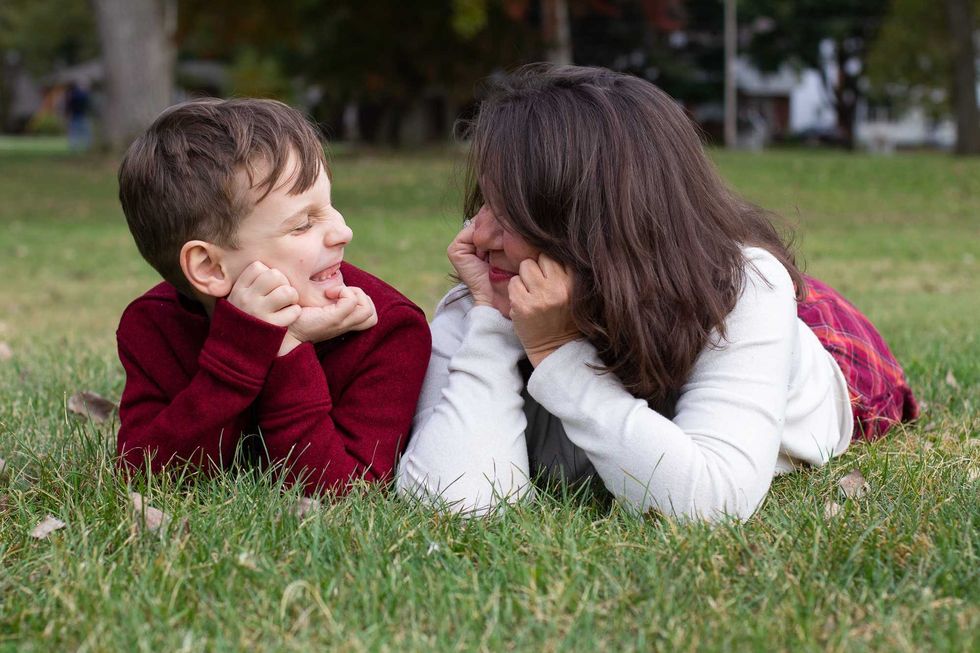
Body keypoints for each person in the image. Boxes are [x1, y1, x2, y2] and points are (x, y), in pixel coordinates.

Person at [396, 65, 918, 521]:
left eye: (510, 212)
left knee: (791, 297)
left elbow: (709, 506)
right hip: (646, 283)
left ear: (589, 223)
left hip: (820, 353)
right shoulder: (490, 291)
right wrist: (490, 321)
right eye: (485, 200)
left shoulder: (740, 292)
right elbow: (455, 503)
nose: (477, 235)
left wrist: (555, 355)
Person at [115, 98, 431, 495]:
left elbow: (348, 495)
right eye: (302, 225)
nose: (342, 232)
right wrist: (244, 348)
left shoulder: (388, 329)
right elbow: (147, 476)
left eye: (330, 207)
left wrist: (287, 350)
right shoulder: (154, 325)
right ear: (210, 268)